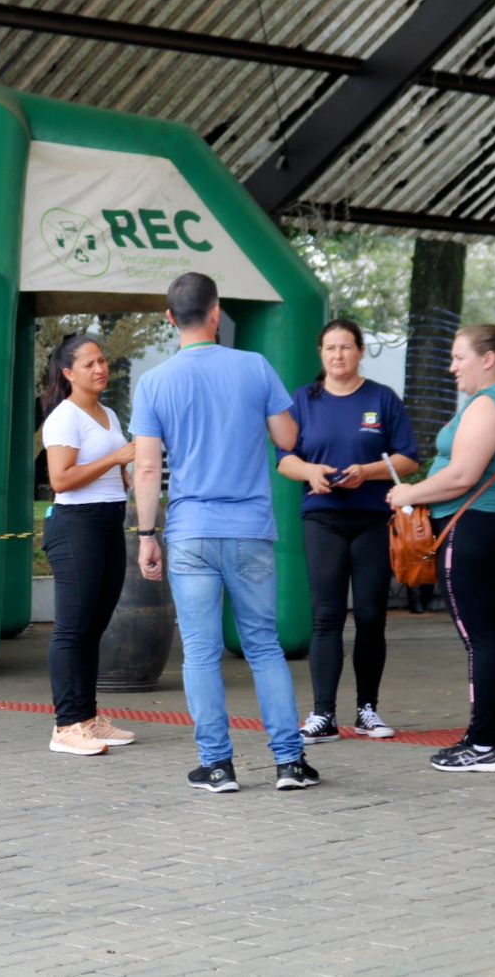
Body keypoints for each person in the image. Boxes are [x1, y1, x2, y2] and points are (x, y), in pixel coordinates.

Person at [131, 272, 319, 793]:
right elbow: (288, 437)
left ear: (171, 319)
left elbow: (146, 469)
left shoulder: (154, 383)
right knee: (263, 648)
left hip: (189, 532)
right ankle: (289, 763)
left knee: (200, 652)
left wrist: (148, 534)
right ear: (216, 313)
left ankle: (217, 766)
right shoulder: (255, 366)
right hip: (250, 529)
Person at [387, 324, 495, 772]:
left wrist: (407, 494)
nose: (451, 367)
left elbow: (462, 475)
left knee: (480, 639)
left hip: (475, 526)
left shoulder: (491, 402)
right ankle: (482, 739)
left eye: (458, 357)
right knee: (487, 637)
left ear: (488, 359)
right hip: (491, 523)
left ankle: (483, 745)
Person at [276, 320, 419, 744]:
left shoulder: (382, 398)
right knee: (326, 617)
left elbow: (408, 459)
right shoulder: (303, 399)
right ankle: (322, 713)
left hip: (373, 518)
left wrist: (368, 472)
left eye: (346, 347)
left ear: (360, 351)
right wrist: (312, 472)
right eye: (330, 348)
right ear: (320, 353)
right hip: (323, 518)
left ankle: (368, 710)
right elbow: (285, 459)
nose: (338, 355)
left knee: (372, 617)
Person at [39, 334, 136, 756]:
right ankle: (65, 726)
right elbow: (60, 479)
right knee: (72, 630)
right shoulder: (65, 417)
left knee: (94, 626)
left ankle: (87, 717)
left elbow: (112, 466)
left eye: (103, 361)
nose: (100, 369)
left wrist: (124, 476)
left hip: (109, 522)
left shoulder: (108, 413)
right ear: (68, 373)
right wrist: (115, 460)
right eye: (90, 363)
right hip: (76, 525)